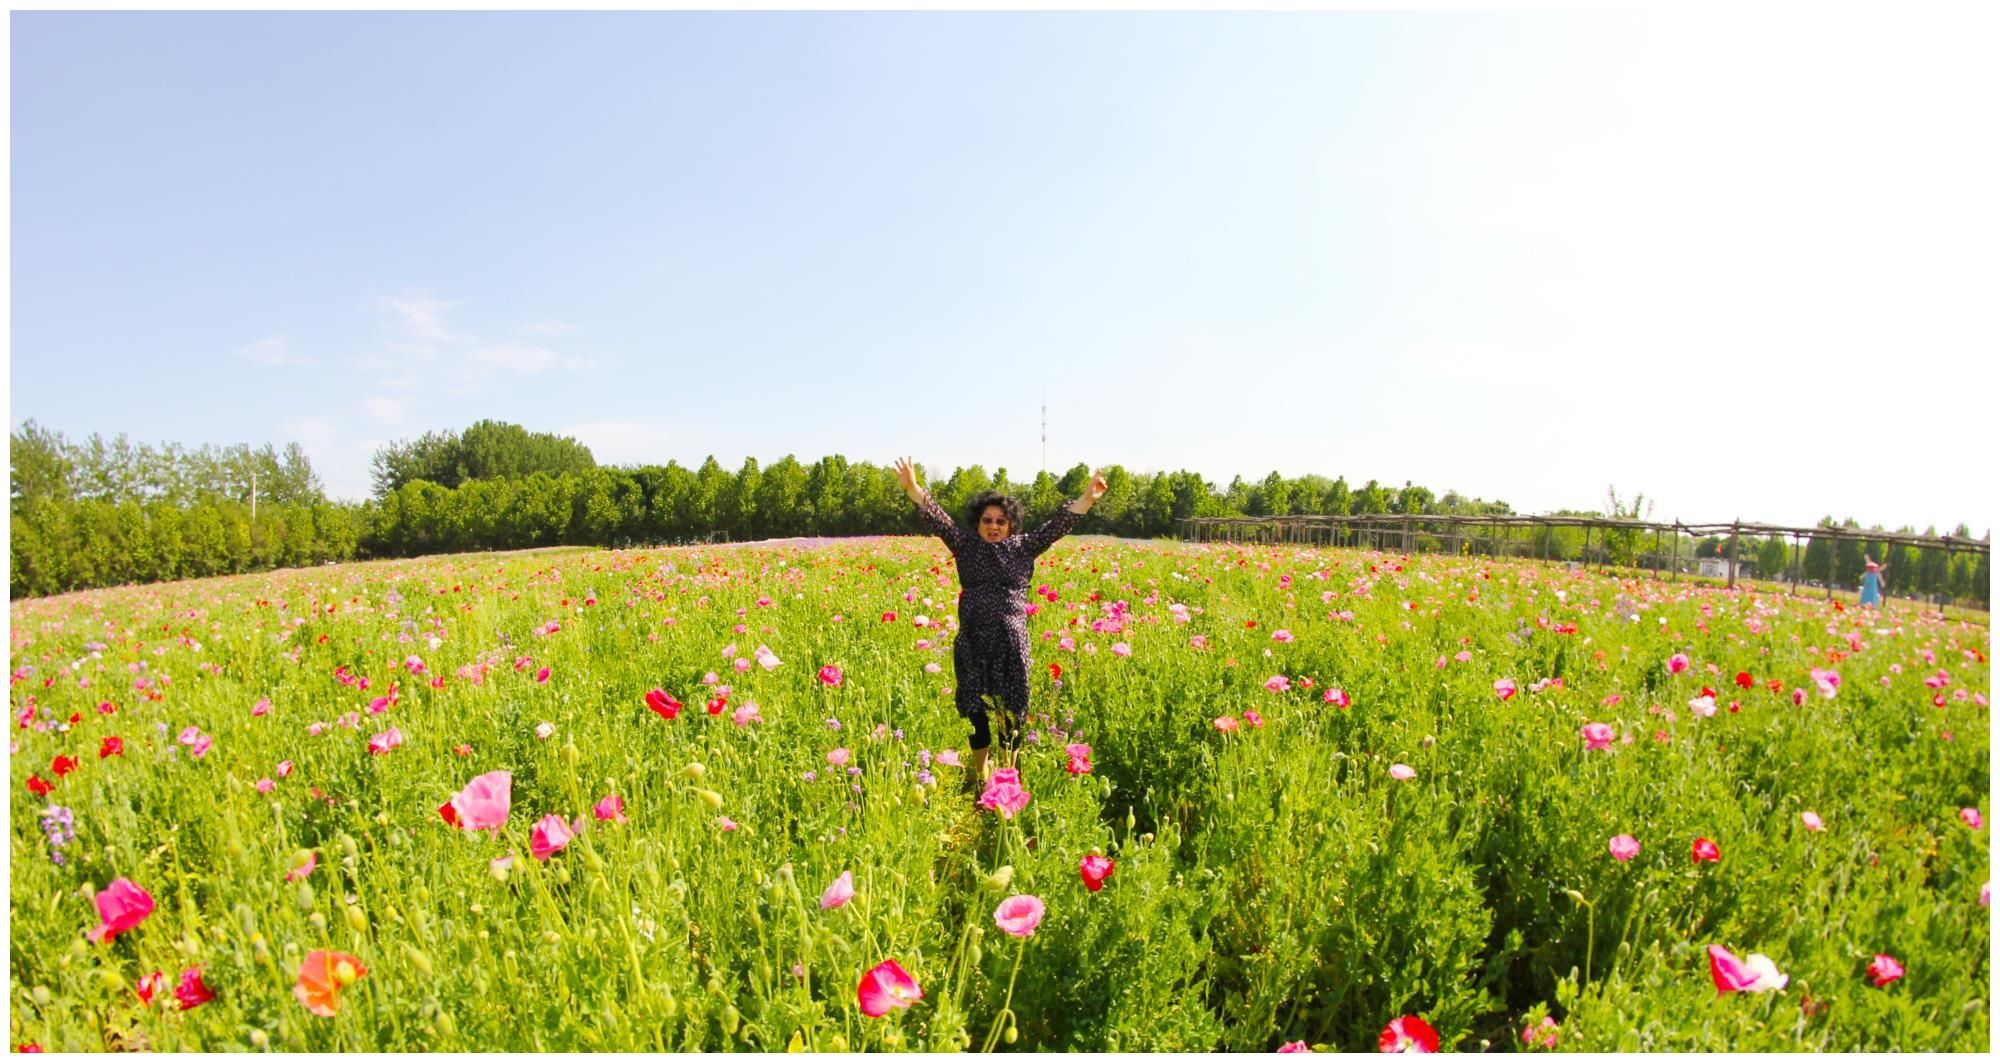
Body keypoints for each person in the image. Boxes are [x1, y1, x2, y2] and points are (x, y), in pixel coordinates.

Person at [894, 457, 1108, 784]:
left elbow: (1059, 524)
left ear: (1011, 525)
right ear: (978, 524)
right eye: (987, 520)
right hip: (973, 641)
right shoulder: (966, 547)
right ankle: (981, 772)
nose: (994, 526)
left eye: (1001, 521)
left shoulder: (1024, 547)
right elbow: (940, 520)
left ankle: (1008, 776)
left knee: (1012, 715)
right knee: (976, 712)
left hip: (1011, 643)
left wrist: (1088, 498)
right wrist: (913, 488)